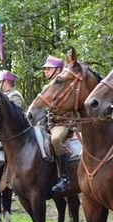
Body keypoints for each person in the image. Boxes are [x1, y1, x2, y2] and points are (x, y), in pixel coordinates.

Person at [41, 55, 71, 192]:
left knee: (56, 139)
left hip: (62, 122)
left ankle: (65, 178)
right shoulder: (47, 86)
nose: (45, 71)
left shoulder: (65, 86)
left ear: (58, 70)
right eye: (45, 69)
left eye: (48, 69)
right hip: (47, 123)